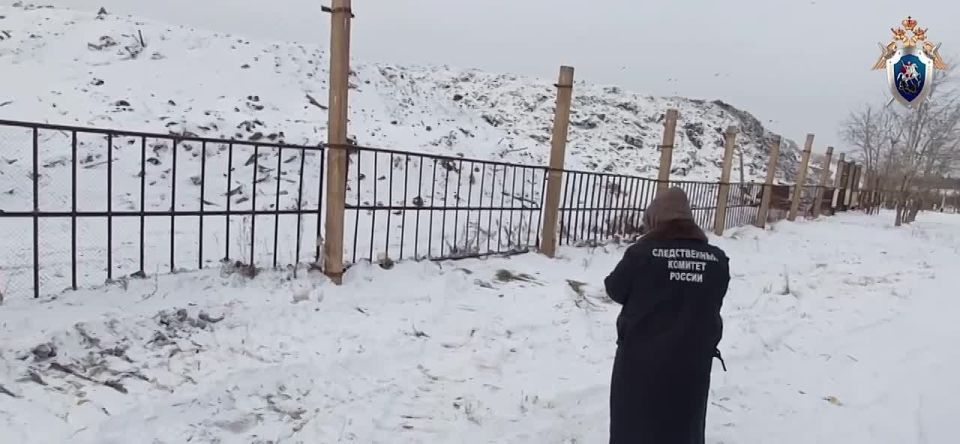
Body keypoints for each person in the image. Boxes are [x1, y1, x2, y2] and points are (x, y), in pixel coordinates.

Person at [604, 187, 731, 444]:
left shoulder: (642, 254)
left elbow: (615, 289)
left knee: (635, 423)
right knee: (684, 422)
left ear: (654, 219)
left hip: (640, 361)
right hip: (693, 362)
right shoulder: (717, 260)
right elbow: (713, 298)